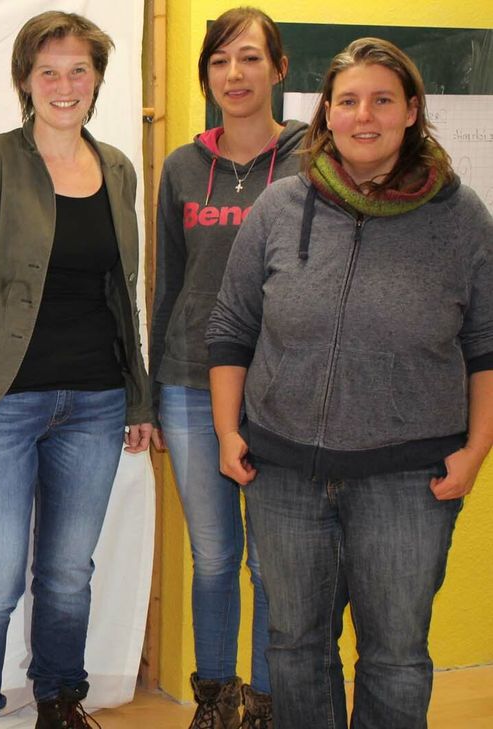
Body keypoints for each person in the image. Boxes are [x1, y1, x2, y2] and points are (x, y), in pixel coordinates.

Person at [207, 37, 493, 729]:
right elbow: (230, 327)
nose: (363, 115)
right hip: (282, 474)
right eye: (347, 100)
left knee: (394, 655)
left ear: (410, 110)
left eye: (381, 99)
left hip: (407, 478)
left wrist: (476, 447)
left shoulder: (461, 219)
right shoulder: (278, 208)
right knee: (296, 648)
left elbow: (485, 344)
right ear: (326, 114)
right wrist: (225, 431)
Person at [0, 11, 152, 729]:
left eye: (78, 69)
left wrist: (136, 397)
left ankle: (59, 701)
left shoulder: (115, 165)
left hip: (94, 401)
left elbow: (122, 290)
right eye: (47, 69)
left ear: (97, 80)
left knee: (68, 574)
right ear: (23, 79)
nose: (63, 84)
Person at [149, 8, 304, 728]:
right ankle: (213, 699)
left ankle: (267, 705)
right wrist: (147, 394)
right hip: (187, 381)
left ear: (278, 68)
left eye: (248, 59)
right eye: (218, 62)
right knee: (213, 554)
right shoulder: (181, 166)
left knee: (272, 561)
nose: (232, 75)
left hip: (281, 389)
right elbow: (166, 283)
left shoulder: (313, 159)